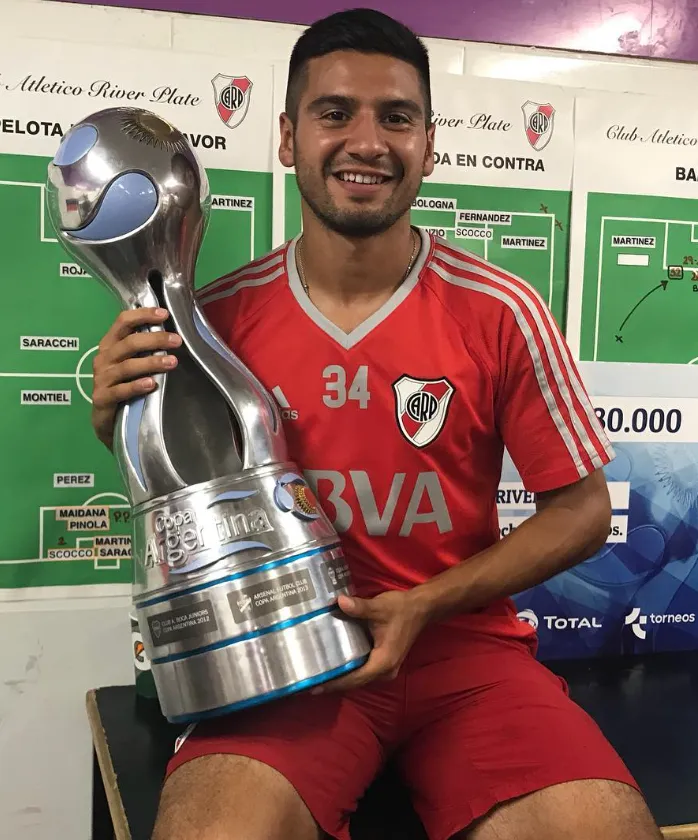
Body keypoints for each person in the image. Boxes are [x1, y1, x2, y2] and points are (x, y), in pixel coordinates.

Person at [91, 9, 663, 840]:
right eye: (334, 113)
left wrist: (424, 605)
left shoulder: (501, 310)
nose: (366, 140)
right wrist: (121, 417)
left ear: (429, 144)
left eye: (395, 117)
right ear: (288, 138)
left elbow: (580, 512)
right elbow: (184, 504)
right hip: (285, 660)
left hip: (463, 656)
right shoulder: (209, 326)